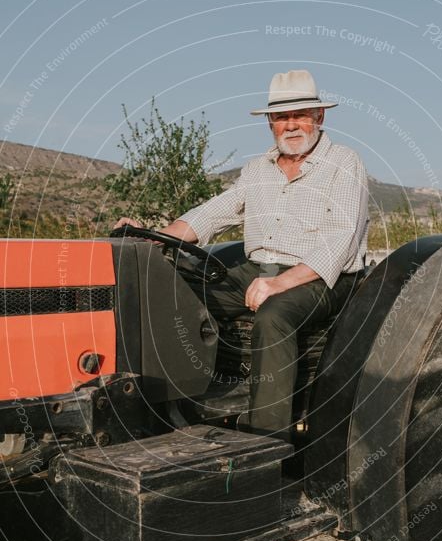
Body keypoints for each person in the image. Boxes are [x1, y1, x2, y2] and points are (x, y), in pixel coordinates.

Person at [116, 69, 369, 441]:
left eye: (300, 115)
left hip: (320, 276)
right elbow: (213, 213)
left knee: (274, 315)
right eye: (282, 117)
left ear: (319, 117)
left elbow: (342, 240)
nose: (291, 125)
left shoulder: (344, 163)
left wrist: (280, 282)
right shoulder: (257, 170)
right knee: (174, 291)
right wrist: (155, 237)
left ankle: (268, 442)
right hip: (259, 270)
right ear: (270, 122)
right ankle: (177, 403)